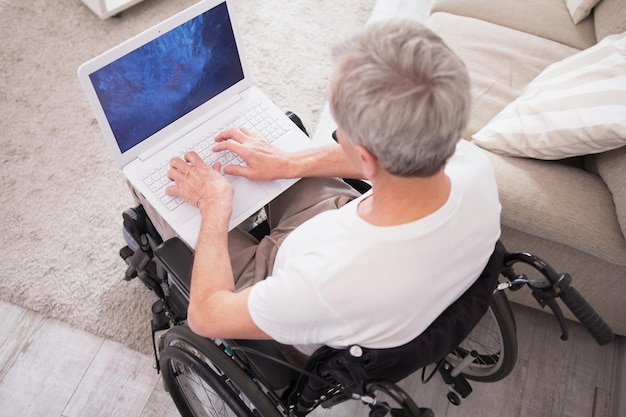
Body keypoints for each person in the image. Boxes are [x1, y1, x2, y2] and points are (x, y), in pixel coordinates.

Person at [134, 20, 501, 357]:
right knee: (275, 149)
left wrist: (214, 207)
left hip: (281, 278)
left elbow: (206, 316)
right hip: (336, 221)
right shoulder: (474, 168)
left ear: (365, 158)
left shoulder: (327, 285)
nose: (337, 138)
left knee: (162, 186)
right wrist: (290, 163)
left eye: (341, 134)